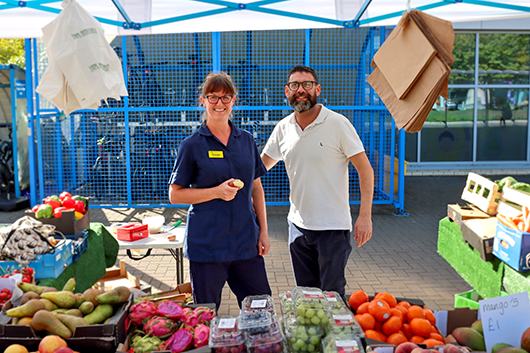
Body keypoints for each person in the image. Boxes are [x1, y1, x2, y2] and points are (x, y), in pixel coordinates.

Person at [261, 65, 374, 298]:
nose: (300, 90)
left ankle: (334, 335)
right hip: (297, 227)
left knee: (332, 297)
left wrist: (365, 216)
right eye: (295, 85)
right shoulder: (283, 128)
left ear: (318, 89)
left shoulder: (338, 124)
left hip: (332, 229)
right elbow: (259, 167)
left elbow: (365, 170)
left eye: (307, 84)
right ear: (287, 91)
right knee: (306, 298)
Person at [168, 72, 271, 310]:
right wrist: (216, 192)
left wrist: (263, 231)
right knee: (205, 313)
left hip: (246, 243)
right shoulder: (192, 145)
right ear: (203, 101)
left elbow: (256, 187)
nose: (219, 104)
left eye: (226, 98)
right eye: (213, 97)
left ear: (234, 101)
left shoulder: (246, 140)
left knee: (261, 308)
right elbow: (175, 195)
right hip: (207, 247)